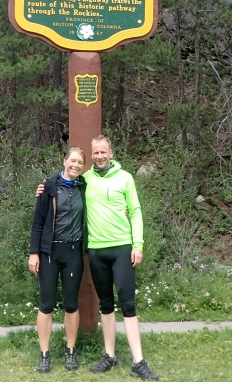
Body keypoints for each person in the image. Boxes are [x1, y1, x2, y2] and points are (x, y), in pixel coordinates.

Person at [37, 135, 159, 380]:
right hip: (96, 249)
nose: (100, 156)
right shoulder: (85, 180)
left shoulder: (125, 178)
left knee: (128, 304)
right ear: (91, 156)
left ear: (111, 153)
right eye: (96, 153)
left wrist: (138, 245)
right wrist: (43, 188)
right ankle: (109, 356)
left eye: (104, 152)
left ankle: (138, 361)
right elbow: (60, 185)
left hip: (123, 247)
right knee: (106, 304)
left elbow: (134, 211)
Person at [28, 146, 87, 373]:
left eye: (79, 163)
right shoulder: (49, 187)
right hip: (49, 252)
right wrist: (34, 253)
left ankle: (70, 351)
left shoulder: (85, 187)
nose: (75, 165)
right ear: (64, 161)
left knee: (71, 304)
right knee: (46, 303)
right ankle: (44, 354)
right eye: (72, 160)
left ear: (83, 166)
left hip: (73, 252)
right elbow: (37, 223)